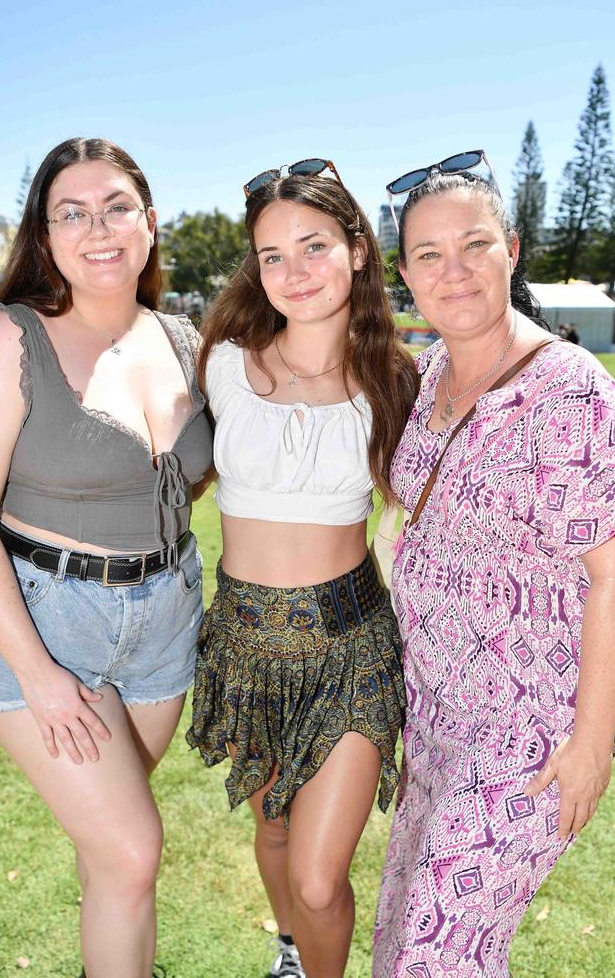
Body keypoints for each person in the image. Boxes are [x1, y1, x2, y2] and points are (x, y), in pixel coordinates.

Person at [373, 152, 615, 976]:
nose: (455, 272)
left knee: (432, 956)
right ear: (405, 272)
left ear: (512, 250)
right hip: (434, 714)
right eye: (428, 255)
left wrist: (592, 745)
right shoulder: (429, 372)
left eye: (475, 244)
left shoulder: (573, 393)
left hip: (526, 729)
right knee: (407, 935)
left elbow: (614, 578)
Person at [0, 138, 213, 978]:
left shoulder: (188, 340)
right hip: (44, 619)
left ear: (150, 222)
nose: (98, 228)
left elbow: (190, 475)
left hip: (165, 621)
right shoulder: (10, 337)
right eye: (71, 212)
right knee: (131, 851)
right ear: (45, 237)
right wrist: (38, 674)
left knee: (111, 854)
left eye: (117, 206)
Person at [186, 160, 419, 978]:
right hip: (244, 643)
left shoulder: (398, 379)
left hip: (349, 646)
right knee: (276, 831)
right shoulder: (220, 364)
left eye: (313, 245)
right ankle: (291, 954)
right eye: (273, 255)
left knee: (319, 881)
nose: (293, 272)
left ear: (358, 249)